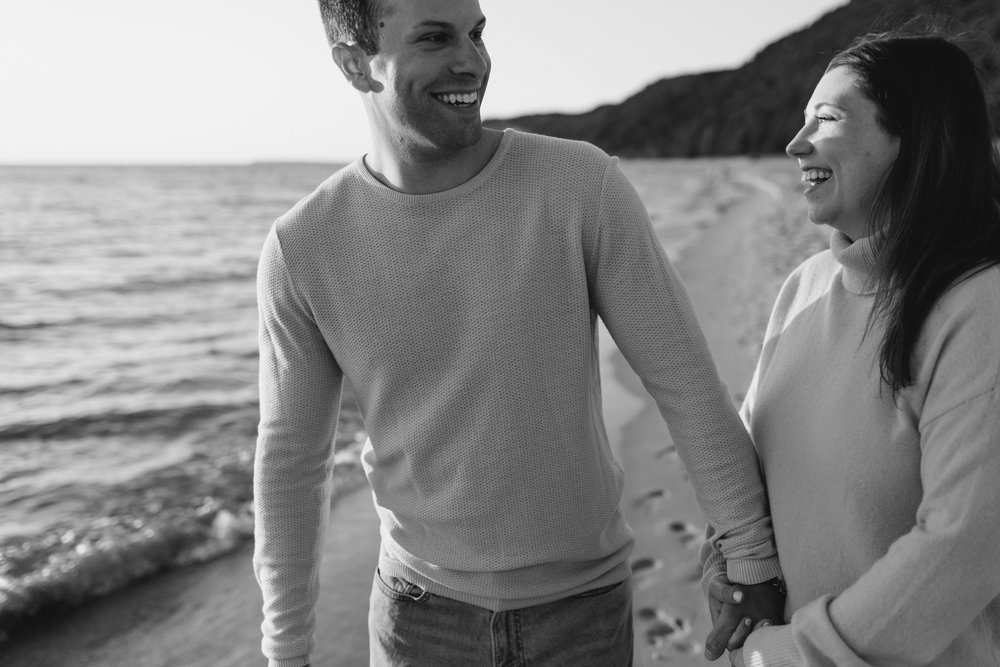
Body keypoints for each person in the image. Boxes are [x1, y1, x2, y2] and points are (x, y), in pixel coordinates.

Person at [253, 0, 785, 665]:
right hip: (417, 620)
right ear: (356, 64)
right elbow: (290, 463)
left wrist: (752, 556)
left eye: (476, 33)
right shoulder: (304, 247)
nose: (471, 60)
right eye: (435, 37)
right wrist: (286, 651)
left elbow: (684, 382)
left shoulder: (580, 185)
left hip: (581, 613)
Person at [702, 31, 1000, 666]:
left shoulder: (981, 308)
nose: (795, 142)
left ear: (912, 139)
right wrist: (731, 566)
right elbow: (753, 468)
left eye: (827, 118)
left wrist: (787, 656)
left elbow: (965, 544)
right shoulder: (805, 287)